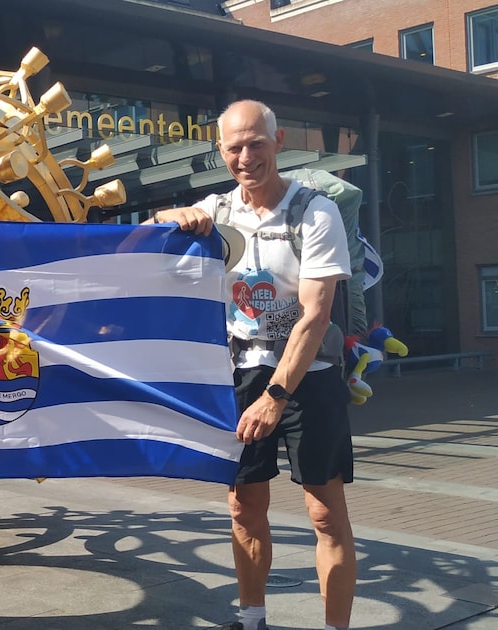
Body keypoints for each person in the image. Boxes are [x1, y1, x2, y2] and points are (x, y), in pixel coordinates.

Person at [149, 100, 356, 630]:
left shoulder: (314, 211)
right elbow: (150, 233)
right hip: (238, 374)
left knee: (325, 514)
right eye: (234, 147)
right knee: (243, 508)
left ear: (278, 140)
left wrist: (276, 396)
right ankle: (253, 619)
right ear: (221, 151)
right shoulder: (217, 211)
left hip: (306, 377)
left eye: (256, 144)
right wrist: (172, 216)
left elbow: (315, 315)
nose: (246, 156)